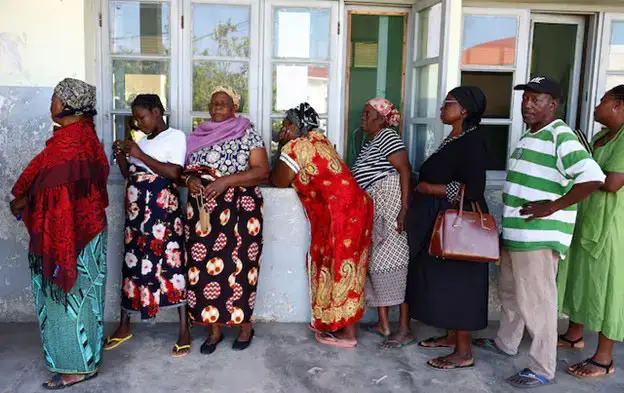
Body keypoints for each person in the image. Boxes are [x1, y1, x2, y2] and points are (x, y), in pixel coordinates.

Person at [473, 76, 605, 388]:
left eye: (537, 99)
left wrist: (553, 206)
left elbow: (593, 176)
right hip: (517, 232)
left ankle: (542, 367)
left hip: (539, 235)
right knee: (511, 293)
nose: (528, 104)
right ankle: (506, 342)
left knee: (537, 301)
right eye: (525, 98)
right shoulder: (530, 136)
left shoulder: (561, 135)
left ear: (553, 104)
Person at [9, 78, 109, 389]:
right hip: (87, 232)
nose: (50, 103)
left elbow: (54, 192)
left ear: (67, 104)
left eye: (54, 97)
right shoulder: (84, 137)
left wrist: (26, 200)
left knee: (67, 299)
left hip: (68, 236)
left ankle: (74, 368)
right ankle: (86, 359)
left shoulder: (69, 145)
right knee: (86, 295)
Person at [270, 103, 373, 348]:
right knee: (347, 268)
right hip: (356, 208)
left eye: (286, 124)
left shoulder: (296, 147)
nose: (283, 128)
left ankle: (347, 335)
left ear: (296, 127)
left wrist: (280, 147)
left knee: (337, 267)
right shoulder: (321, 141)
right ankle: (333, 323)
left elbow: (279, 181)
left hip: (339, 214)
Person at [405, 86, 489, 369]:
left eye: (447, 104)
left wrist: (432, 188)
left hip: (459, 223)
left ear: (464, 110)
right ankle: (453, 337)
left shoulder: (472, 141)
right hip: (442, 219)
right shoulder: (455, 137)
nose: (442, 108)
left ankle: (463, 352)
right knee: (443, 279)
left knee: (459, 283)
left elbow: (474, 188)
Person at [182, 86, 269, 354]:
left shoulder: (247, 132)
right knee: (204, 268)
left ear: (234, 108)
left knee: (241, 267)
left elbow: (262, 171)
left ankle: (244, 327)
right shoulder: (197, 135)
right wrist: (190, 180)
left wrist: (225, 182)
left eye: (224, 103)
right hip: (203, 212)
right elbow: (182, 171)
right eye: (214, 103)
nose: (218, 107)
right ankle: (214, 330)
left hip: (241, 210)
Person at [105, 94, 190, 357]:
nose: (139, 123)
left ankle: (184, 330)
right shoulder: (143, 141)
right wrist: (122, 156)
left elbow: (175, 173)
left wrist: (139, 153)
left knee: (172, 265)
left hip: (161, 214)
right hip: (136, 214)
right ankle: (124, 325)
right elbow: (132, 173)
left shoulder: (175, 137)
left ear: (156, 112)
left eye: (142, 117)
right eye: (136, 118)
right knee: (132, 264)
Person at [557, 85, 624, 379]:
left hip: (611, 226)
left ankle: (604, 357)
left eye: (603, 101)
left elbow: (612, 183)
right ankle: (574, 333)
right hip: (586, 217)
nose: (597, 106)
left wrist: (585, 170)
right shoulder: (599, 137)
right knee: (580, 278)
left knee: (608, 287)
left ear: (619, 106)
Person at [350, 98, 413, 347]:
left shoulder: (387, 136)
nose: (362, 118)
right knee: (376, 267)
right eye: (363, 114)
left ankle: (404, 328)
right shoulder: (372, 142)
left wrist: (403, 210)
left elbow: (405, 170)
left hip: (390, 209)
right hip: (375, 212)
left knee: (396, 267)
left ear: (382, 118)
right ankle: (384, 324)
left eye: (367, 114)